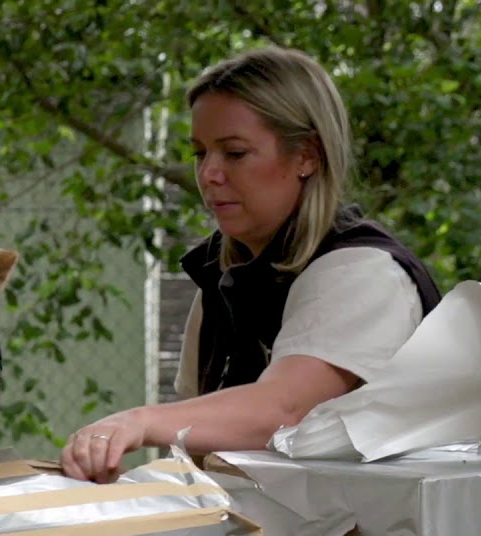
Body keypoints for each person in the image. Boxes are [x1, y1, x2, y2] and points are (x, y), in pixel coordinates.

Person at [60, 45, 443, 483]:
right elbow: (198, 450)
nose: (208, 174)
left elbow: (283, 409)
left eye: (235, 153)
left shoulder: (364, 273)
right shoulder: (221, 277)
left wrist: (135, 422)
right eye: (200, 153)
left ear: (306, 156)